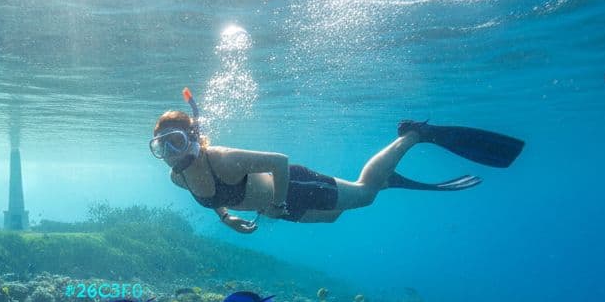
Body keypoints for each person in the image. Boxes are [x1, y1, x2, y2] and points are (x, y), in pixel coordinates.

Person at [150, 89, 525, 233]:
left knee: (364, 195)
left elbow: (279, 162)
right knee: (334, 216)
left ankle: (413, 136)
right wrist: (227, 217)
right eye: (162, 146)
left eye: (177, 141)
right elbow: (213, 198)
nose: (171, 152)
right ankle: (386, 176)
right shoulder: (178, 178)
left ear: (194, 138)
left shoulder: (222, 159)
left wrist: (278, 203)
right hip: (279, 208)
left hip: (290, 189)